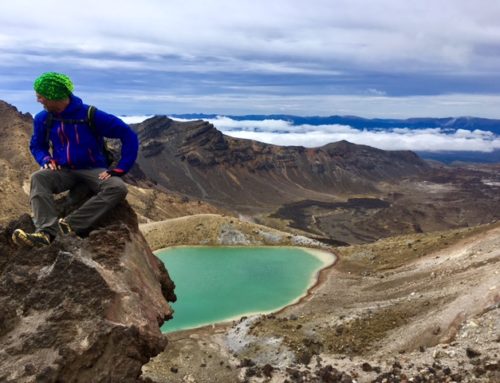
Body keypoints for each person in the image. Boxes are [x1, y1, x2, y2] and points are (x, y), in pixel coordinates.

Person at [12, 72, 139, 247]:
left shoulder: (90, 114)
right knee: (38, 178)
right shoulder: (43, 118)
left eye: (41, 96)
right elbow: (37, 145)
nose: (38, 100)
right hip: (63, 170)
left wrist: (122, 167)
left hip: (93, 169)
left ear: (55, 96)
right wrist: (45, 158)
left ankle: (69, 226)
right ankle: (45, 233)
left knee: (117, 188)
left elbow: (128, 134)